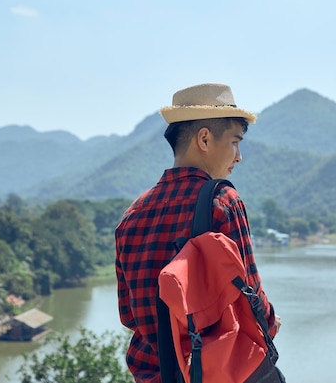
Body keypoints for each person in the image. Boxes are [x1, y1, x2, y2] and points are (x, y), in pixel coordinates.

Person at [115, 83, 281, 382]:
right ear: (204, 139)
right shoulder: (222, 201)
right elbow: (251, 295)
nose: (238, 156)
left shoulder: (131, 217)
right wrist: (271, 322)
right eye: (234, 142)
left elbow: (129, 316)